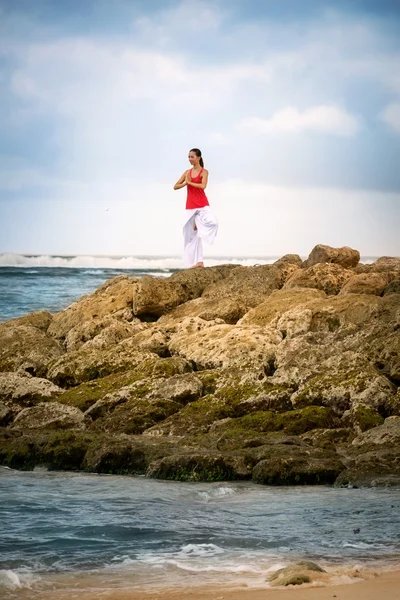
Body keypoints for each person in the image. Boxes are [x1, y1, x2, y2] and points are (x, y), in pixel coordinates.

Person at [173, 148, 218, 268]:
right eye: (188, 157)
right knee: (191, 237)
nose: (189, 159)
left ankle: (198, 222)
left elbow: (203, 186)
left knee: (213, 222)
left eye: (192, 157)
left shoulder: (204, 172)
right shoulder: (187, 172)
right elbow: (175, 186)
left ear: (198, 158)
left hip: (202, 204)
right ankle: (198, 262)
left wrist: (190, 183)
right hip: (190, 206)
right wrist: (185, 183)